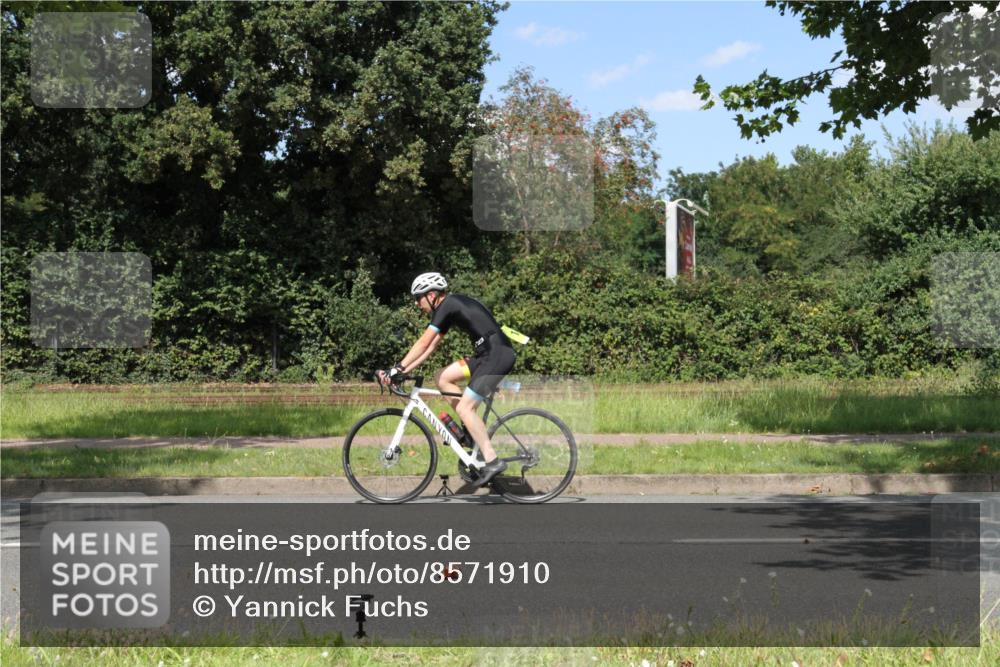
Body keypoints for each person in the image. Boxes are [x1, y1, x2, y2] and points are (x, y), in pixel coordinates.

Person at [377, 272, 516, 486]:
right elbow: (430, 348)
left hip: (497, 355)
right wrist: (402, 370)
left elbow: (423, 343)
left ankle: (492, 460)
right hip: (485, 356)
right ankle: (470, 433)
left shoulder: (448, 304)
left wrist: (397, 369)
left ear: (432, 295)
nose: (416, 303)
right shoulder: (449, 308)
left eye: (418, 297)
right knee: (441, 377)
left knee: (465, 408)